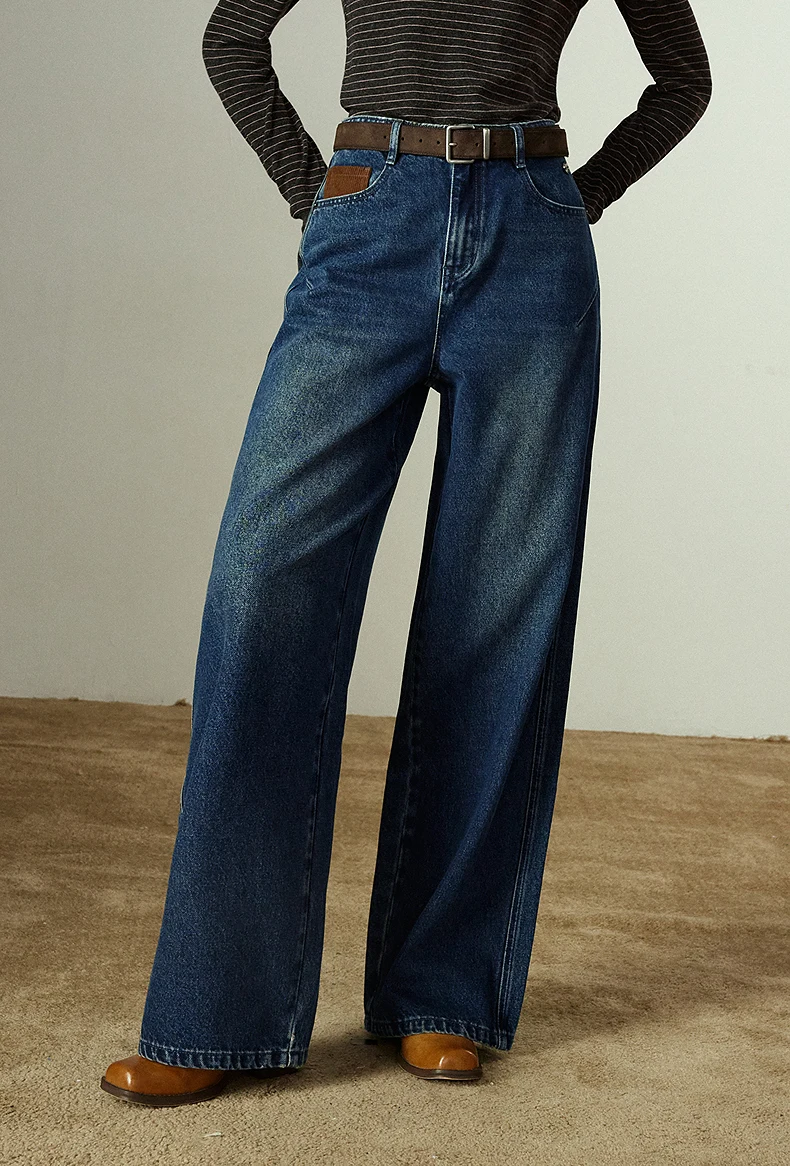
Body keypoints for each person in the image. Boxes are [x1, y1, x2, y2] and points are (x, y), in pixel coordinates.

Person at [101, 0, 711, 1106]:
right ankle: (213, 1009)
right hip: (367, 223)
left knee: (496, 618)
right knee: (262, 591)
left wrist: (576, 198)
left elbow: (683, 81)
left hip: (531, 246)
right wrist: (313, 190)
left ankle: (442, 995)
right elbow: (233, 36)